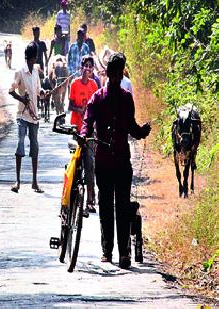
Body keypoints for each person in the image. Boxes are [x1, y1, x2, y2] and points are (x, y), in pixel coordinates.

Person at [80, 53, 151, 269]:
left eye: (120, 73)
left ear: (122, 74)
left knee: (122, 206)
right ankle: (106, 251)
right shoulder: (97, 98)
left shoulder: (126, 98)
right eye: (114, 73)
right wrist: (83, 135)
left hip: (121, 161)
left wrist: (141, 132)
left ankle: (124, 254)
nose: (116, 77)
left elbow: (131, 126)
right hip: (103, 160)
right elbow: (87, 121)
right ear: (108, 74)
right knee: (105, 206)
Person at [9, 42, 45, 194]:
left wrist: (43, 92)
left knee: (35, 147)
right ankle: (17, 180)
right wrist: (22, 98)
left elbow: (37, 90)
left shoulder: (35, 72)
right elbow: (11, 91)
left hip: (34, 117)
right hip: (22, 115)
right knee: (20, 142)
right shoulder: (20, 72)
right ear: (34, 56)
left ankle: (34, 182)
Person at [69, 55, 98, 215]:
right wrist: (80, 110)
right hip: (76, 130)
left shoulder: (94, 85)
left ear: (93, 70)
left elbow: (97, 108)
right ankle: (69, 201)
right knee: (73, 164)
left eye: (90, 67)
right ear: (81, 68)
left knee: (89, 165)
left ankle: (90, 201)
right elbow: (71, 105)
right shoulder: (74, 84)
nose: (88, 69)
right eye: (85, 66)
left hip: (88, 133)